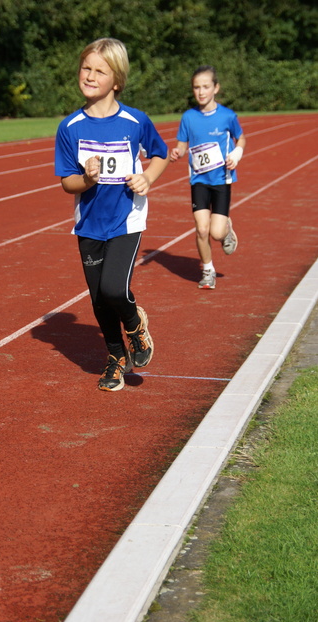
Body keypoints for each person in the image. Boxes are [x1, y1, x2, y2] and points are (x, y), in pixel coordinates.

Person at [55, 37, 169, 391]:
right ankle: (116, 358)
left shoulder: (135, 121)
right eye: (85, 68)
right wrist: (87, 179)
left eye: (99, 70)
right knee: (99, 300)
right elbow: (67, 183)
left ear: (116, 80)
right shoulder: (70, 127)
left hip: (126, 219)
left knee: (114, 290)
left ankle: (135, 325)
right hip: (89, 223)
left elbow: (161, 153)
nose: (89, 75)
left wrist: (147, 177)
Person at [170, 65, 246, 289]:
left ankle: (225, 229)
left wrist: (236, 154)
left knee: (215, 232)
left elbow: (241, 139)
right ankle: (207, 270)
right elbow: (182, 145)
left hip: (222, 179)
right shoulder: (188, 117)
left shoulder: (227, 116)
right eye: (196, 87)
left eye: (205, 87)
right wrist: (178, 152)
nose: (201, 92)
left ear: (216, 88)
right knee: (202, 228)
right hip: (199, 180)